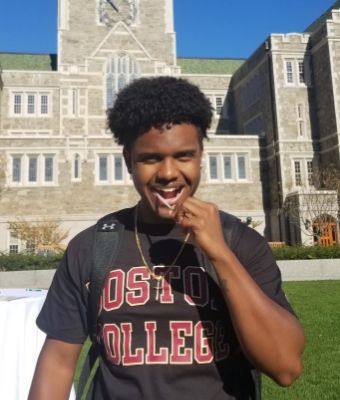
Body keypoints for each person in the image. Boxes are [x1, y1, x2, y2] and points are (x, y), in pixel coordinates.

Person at [29, 76, 305, 400]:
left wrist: (220, 254)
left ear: (201, 157)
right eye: (151, 158)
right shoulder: (91, 247)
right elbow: (59, 362)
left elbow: (285, 367)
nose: (168, 173)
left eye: (184, 156)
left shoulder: (241, 243)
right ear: (128, 161)